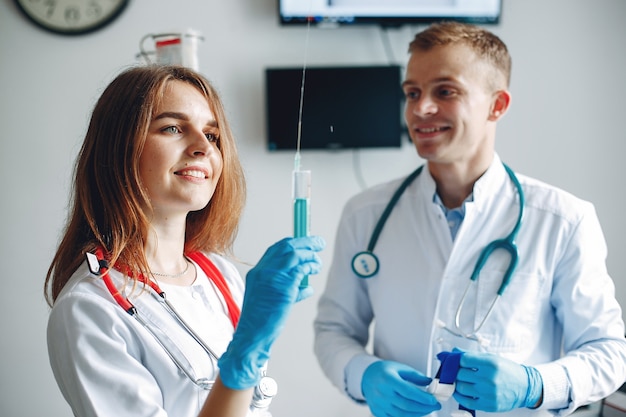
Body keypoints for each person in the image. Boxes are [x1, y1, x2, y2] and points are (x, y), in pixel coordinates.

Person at [314, 21, 626, 417]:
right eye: (412, 92)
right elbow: (333, 331)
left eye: (445, 91)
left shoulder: (564, 220)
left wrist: (535, 385)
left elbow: (610, 353)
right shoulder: (365, 215)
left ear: (497, 105)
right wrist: (362, 373)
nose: (420, 108)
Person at [45, 65, 325, 417]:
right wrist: (247, 350)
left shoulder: (219, 275)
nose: (202, 148)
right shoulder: (90, 309)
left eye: (211, 135)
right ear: (118, 148)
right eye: (173, 128)